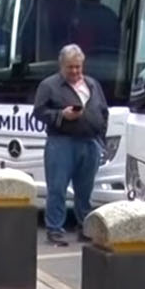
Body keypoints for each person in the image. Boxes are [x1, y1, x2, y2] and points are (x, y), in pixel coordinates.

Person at [33, 44, 109, 247]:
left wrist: (101, 138)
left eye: (78, 67)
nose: (74, 71)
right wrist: (61, 115)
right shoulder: (49, 86)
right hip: (61, 142)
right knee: (57, 188)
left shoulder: (92, 84)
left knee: (85, 190)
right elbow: (39, 112)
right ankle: (55, 230)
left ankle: (85, 227)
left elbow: (103, 110)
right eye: (70, 67)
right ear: (61, 66)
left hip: (90, 142)